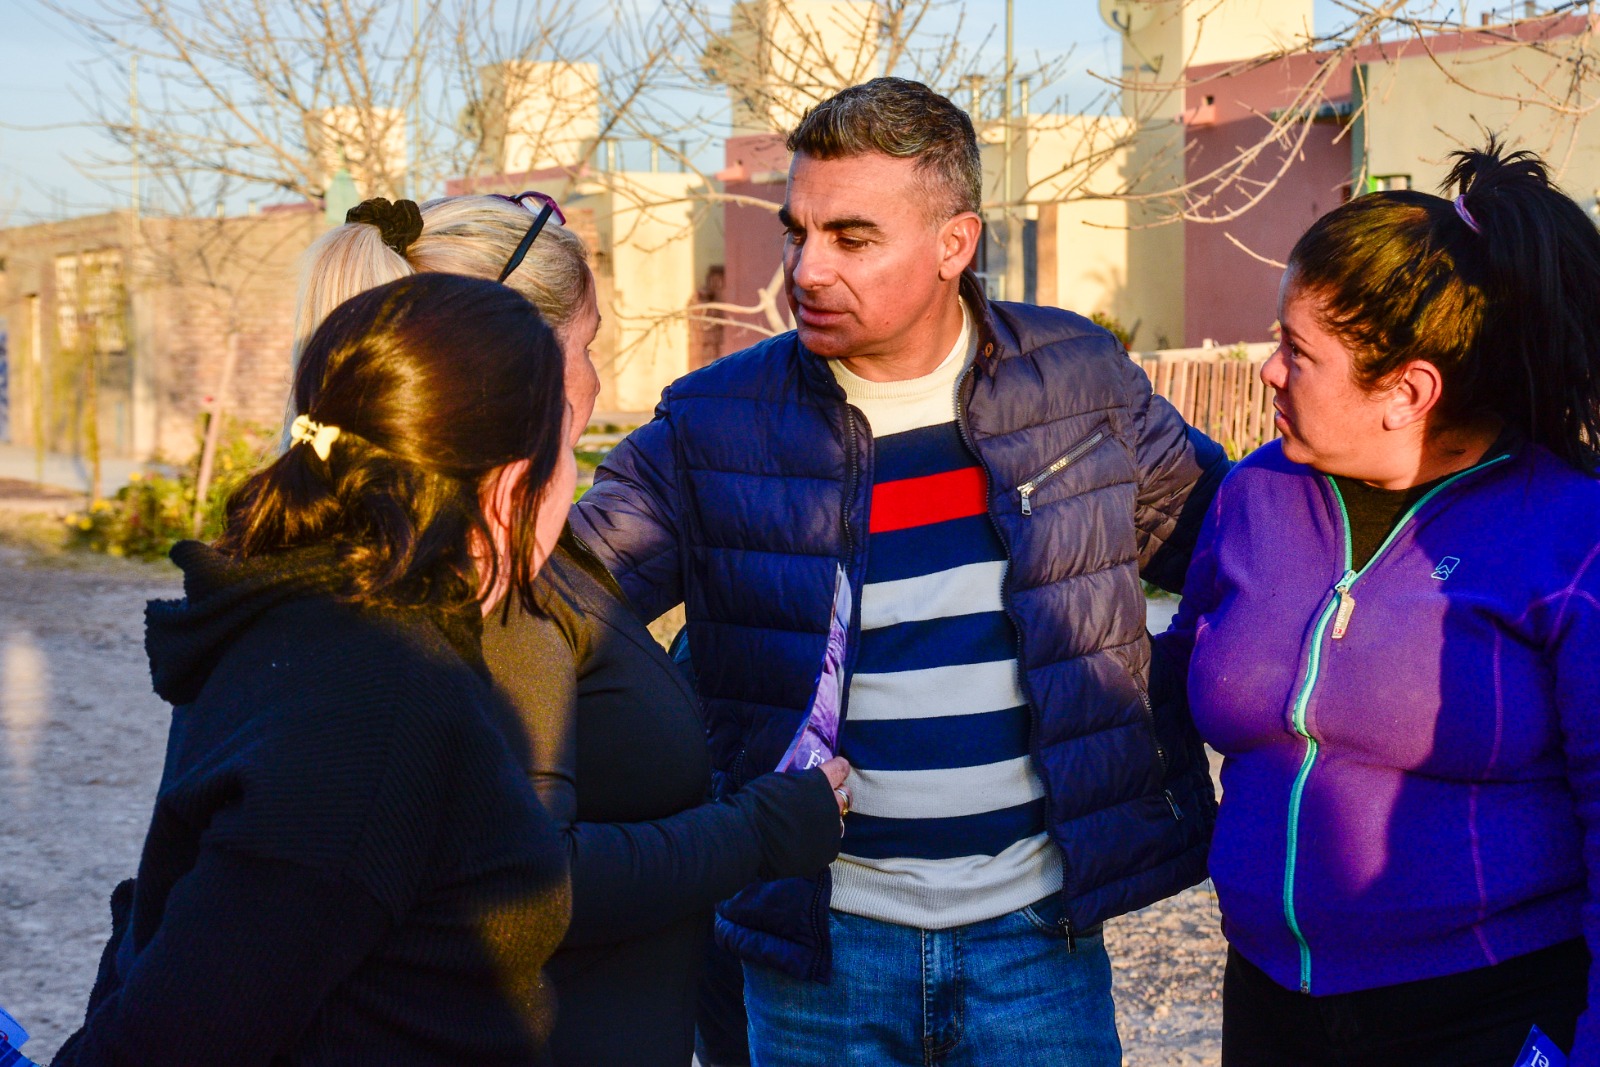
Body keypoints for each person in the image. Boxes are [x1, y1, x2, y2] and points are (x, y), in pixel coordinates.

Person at [572, 77, 1229, 1064]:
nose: (807, 269)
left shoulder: (1077, 380)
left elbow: (1239, 546)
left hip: (1038, 941)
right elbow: (559, 600)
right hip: (820, 948)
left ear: (954, 243)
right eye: (798, 232)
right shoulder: (715, 423)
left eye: (852, 238)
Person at [298, 195, 851, 1065]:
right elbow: (522, 880)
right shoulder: (480, 575)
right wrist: (763, 829)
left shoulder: (456, 545)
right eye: (587, 346)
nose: (592, 381)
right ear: (523, 361)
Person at [55, 272, 575, 1064]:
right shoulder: (378, 700)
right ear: (509, 483)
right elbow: (169, 1034)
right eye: (564, 445)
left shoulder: (303, 616)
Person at [1165, 141, 1600, 1066]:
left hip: (1487, 1012)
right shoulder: (1256, 493)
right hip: (1268, 1005)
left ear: (1409, 391)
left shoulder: (1570, 536)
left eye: (1298, 351)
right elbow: (1173, 668)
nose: (1268, 370)